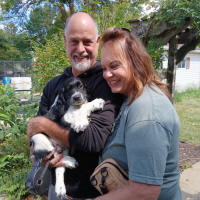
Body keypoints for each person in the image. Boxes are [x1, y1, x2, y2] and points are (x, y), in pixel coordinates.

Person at [27, 13, 122, 200]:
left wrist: (44, 126)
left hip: (91, 193)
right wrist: (37, 154)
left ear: (97, 41)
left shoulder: (107, 81)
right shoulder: (53, 85)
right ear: (65, 42)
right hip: (55, 188)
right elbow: (34, 136)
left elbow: (93, 140)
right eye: (74, 41)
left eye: (87, 41)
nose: (80, 49)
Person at [95, 27, 181, 200]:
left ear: (135, 62)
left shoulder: (147, 114)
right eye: (104, 68)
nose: (106, 74)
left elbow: (144, 192)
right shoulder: (131, 97)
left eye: (114, 66)